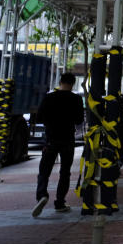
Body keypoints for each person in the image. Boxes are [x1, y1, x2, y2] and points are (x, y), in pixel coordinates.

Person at [32, 72, 84, 217]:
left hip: (50, 140)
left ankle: (42, 195)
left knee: (44, 170)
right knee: (65, 172)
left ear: (60, 82)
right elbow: (79, 120)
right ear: (73, 83)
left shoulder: (49, 98)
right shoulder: (76, 99)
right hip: (68, 140)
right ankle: (60, 202)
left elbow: (39, 117)